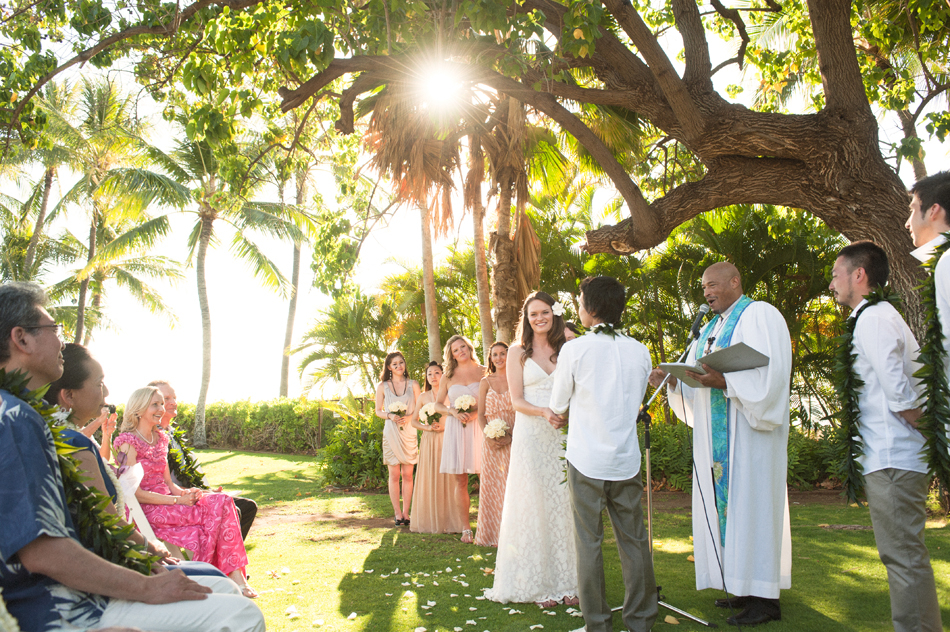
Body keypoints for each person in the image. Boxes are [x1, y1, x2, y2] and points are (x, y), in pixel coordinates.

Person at [0, 282, 264, 632]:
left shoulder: (22, 415)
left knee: (221, 585)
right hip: (59, 609)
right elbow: (43, 551)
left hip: (75, 595)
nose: (62, 342)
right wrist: (145, 585)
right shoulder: (14, 418)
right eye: (54, 329)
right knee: (241, 614)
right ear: (21, 339)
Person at [648, 262, 792, 626]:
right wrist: (672, 382)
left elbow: (772, 376)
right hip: (717, 436)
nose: (707, 292)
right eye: (703, 287)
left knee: (753, 507)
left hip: (750, 436)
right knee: (728, 509)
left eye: (713, 284)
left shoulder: (760, 314)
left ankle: (765, 599)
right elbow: (698, 381)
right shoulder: (710, 329)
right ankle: (741, 586)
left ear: (735, 281)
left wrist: (726, 382)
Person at [832, 242, 943, 632]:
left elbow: (901, 396)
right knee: (901, 556)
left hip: (894, 456)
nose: (831, 284)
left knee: (903, 558)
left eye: (836, 275)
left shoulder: (875, 318)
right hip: (888, 455)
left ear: (858, 275)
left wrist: (930, 436)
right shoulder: (873, 316)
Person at [43, 344, 227, 579]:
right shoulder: (75, 444)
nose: (106, 391)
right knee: (216, 580)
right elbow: (108, 518)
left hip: (111, 557)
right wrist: (150, 548)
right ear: (69, 395)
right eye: (99, 383)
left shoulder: (58, 436)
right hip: (102, 567)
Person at [550, 276, 657, 632]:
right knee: (634, 541)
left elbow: (558, 403)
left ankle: (597, 623)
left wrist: (563, 411)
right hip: (625, 459)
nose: (578, 307)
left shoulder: (575, 350)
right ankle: (640, 620)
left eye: (580, 301)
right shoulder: (640, 350)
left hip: (586, 460)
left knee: (589, 542)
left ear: (591, 308)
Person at [113, 387, 257, 598]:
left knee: (223, 501)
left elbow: (169, 483)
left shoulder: (160, 439)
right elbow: (134, 494)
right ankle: (219, 577)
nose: (161, 409)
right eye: (155, 404)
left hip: (169, 503)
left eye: (161, 404)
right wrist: (176, 501)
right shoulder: (128, 443)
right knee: (211, 517)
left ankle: (235, 576)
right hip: (147, 510)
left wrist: (187, 493)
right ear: (139, 409)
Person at [485, 291, 578, 607]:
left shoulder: (566, 348)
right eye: (533, 314)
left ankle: (568, 582)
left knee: (563, 504)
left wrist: (567, 414)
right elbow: (516, 401)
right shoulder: (516, 352)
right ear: (526, 318)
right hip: (532, 434)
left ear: (555, 313)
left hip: (562, 435)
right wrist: (544, 412)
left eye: (545, 312)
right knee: (534, 504)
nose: (540, 318)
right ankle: (536, 584)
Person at [148, 379, 258, 541]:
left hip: (192, 492)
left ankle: (224, 555)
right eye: (166, 399)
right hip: (176, 500)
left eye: (174, 398)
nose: (173, 402)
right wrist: (202, 493)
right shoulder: (154, 439)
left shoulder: (173, 435)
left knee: (248, 506)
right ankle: (218, 555)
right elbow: (163, 485)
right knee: (234, 510)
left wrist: (208, 490)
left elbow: (186, 475)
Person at [432, 335, 484, 543]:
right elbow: (438, 405)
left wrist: (475, 413)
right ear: (451, 355)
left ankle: (488, 524)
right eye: (456, 350)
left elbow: (492, 398)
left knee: (485, 477)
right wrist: (452, 411)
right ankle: (466, 529)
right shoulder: (448, 376)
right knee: (460, 480)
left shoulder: (483, 371)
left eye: (463, 346)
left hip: (479, 427)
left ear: (469, 347)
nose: (461, 351)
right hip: (456, 429)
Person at [409, 362, 467, 534]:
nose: (433, 376)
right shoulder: (423, 397)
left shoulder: (451, 394)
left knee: (450, 478)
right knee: (430, 477)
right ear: (426, 378)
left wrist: (445, 427)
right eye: (429, 374)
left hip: (448, 437)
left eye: (436, 372)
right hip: (429, 441)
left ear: (443, 375)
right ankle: (429, 521)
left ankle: (452, 522)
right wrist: (427, 428)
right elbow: (413, 421)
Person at [473, 342, 515, 547]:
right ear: (490, 358)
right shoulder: (485, 382)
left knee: (512, 485)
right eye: (495, 355)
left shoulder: (517, 379)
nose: (499, 358)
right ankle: (492, 535)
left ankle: (514, 535)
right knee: (492, 486)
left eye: (503, 353)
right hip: (490, 443)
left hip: (514, 440)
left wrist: (512, 436)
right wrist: (488, 436)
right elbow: (481, 415)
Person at [374, 351, 421, 526]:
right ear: (389, 367)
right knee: (394, 475)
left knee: (408, 474)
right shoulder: (383, 386)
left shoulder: (413, 384)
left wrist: (409, 418)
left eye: (401, 362)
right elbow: (378, 411)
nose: (399, 366)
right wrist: (390, 416)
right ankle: (397, 513)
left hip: (408, 431)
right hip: (391, 432)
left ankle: (406, 513)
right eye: (394, 364)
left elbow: (420, 408)